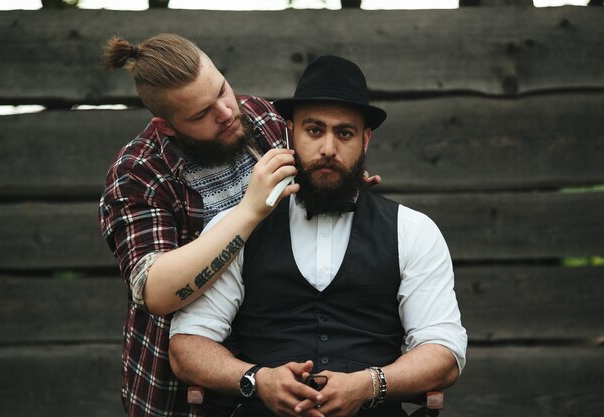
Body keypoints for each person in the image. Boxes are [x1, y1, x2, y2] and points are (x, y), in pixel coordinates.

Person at [168, 55, 468, 417]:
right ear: (291, 132)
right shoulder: (239, 228)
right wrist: (256, 379)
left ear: (365, 140)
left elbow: (444, 353)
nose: (329, 148)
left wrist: (370, 384)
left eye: (344, 133)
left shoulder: (414, 231)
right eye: (314, 131)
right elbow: (187, 348)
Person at [99, 33, 300, 417]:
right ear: (166, 126)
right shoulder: (138, 172)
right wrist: (249, 211)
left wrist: (335, 185)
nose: (226, 112)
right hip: (185, 391)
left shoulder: (261, 118)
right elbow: (154, 289)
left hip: (280, 362)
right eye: (200, 114)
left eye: (223, 90)